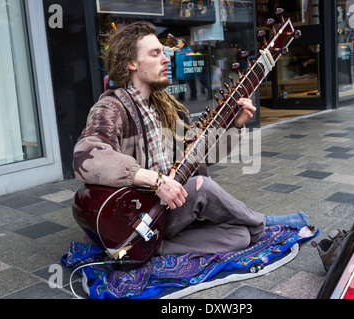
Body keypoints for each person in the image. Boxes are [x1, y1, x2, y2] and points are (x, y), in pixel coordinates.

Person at [73, 21, 308, 255]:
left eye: (164, 52)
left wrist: (235, 126)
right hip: (134, 217)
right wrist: (156, 180)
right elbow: (86, 157)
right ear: (131, 63)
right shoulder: (111, 108)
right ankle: (263, 223)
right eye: (155, 54)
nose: (166, 59)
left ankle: (151, 248)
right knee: (202, 186)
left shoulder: (162, 108)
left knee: (240, 236)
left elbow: (200, 158)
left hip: (164, 214)